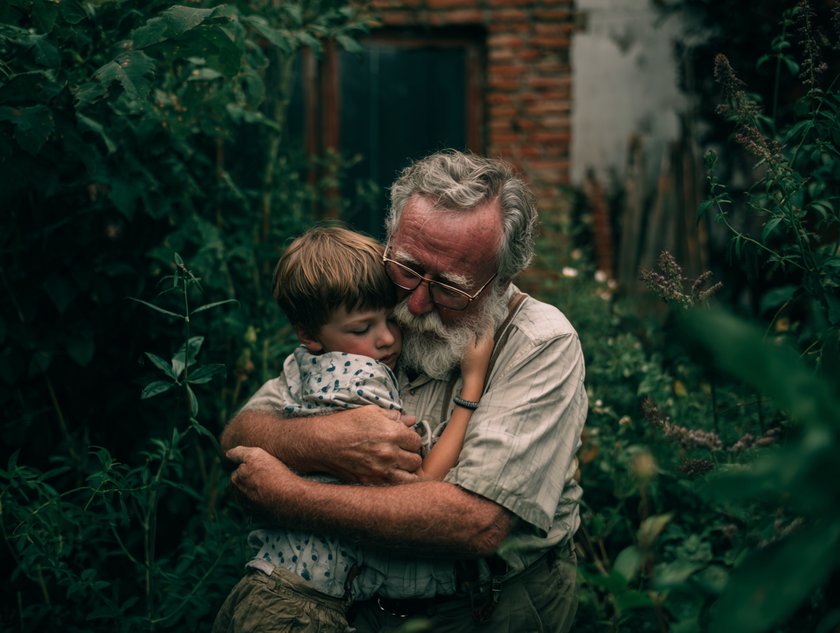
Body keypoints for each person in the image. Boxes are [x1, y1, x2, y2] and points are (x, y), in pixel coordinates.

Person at [221, 149, 588, 632]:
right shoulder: (374, 307)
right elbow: (241, 434)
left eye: (450, 288)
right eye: (408, 268)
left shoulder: (540, 344)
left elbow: (476, 523)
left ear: (500, 282)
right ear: (391, 240)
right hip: (360, 611)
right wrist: (328, 441)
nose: (415, 305)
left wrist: (291, 496)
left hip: (485, 613)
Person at [212, 225, 494, 633]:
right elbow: (422, 483)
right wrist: (471, 387)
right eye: (362, 329)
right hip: (302, 611)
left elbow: (241, 431)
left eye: (390, 318)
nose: (387, 339)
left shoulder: (300, 365)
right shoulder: (364, 380)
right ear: (308, 334)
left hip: (264, 584)